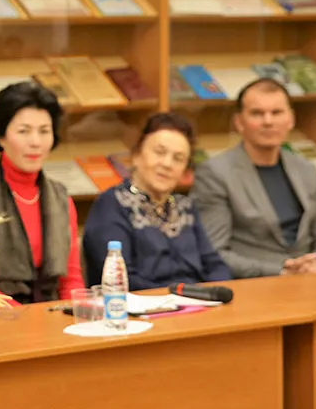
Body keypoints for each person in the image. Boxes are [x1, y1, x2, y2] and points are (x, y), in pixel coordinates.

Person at [192, 78, 316, 278]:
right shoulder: (215, 174)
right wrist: (281, 271)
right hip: (254, 285)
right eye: (257, 113)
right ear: (239, 122)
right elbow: (214, 252)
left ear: (291, 119)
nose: (268, 121)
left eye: (276, 112)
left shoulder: (306, 170)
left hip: (310, 281)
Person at [0, 81, 84, 305]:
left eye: (44, 131)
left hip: (54, 314)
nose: (35, 142)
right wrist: (29, 318)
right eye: (23, 131)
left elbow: (71, 281)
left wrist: (79, 313)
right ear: (1, 136)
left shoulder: (60, 197)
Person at [82, 113, 232, 290]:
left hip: (196, 300)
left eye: (178, 158)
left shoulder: (185, 206)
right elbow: (122, 278)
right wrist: (178, 295)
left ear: (185, 170)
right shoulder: (112, 204)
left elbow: (214, 265)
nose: (167, 164)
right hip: (142, 302)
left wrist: (217, 292)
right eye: (159, 152)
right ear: (136, 156)